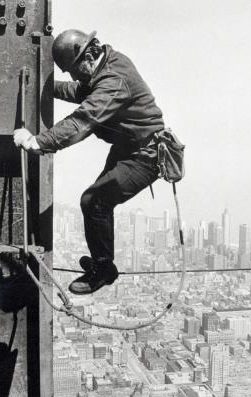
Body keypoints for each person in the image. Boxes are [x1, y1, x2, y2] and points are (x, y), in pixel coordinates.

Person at [13, 29, 165, 295]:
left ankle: (104, 270)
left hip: (145, 157)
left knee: (94, 202)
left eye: (74, 70)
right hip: (128, 149)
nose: (73, 77)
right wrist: (44, 87)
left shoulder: (114, 80)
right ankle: (102, 260)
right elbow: (81, 91)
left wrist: (37, 142)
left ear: (89, 55)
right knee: (96, 205)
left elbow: (83, 120)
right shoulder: (106, 64)